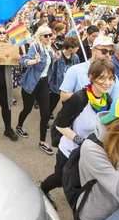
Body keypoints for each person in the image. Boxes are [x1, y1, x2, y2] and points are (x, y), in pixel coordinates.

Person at [41, 58, 114, 206]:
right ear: (91, 78)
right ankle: (42, 190)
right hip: (69, 149)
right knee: (60, 178)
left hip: (89, 153)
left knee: (80, 179)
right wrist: (81, 141)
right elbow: (60, 125)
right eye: (102, 78)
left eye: (111, 78)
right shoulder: (79, 98)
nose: (107, 83)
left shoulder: (107, 100)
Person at [16, 26, 59, 154]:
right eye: (45, 35)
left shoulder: (50, 49)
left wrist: (55, 58)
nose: (48, 38)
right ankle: (19, 126)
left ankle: (42, 141)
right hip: (31, 83)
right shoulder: (36, 47)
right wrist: (34, 61)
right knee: (27, 109)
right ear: (40, 37)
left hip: (44, 83)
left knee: (45, 112)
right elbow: (23, 61)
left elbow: (48, 67)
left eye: (50, 35)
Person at [60, 36, 119, 103]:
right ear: (93, 51)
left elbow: (116, 101)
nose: (108, 55)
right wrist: (87, 94)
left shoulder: (113, 77)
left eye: (111, 52)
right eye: (104, 51)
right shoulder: (75, 70)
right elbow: (63, 96)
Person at [0, 25, 19, 141]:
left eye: (4, 33)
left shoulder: (10, 46)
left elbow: (12, 63)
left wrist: (17, 58)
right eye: (0, 32)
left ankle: (8, 129)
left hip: (5, 82)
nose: (2, 34)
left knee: (6, 106)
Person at [48, 36, 80, 119]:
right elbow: (52, 71)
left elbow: (77, 71)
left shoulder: (75, 57)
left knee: (67, 107)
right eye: (76, 47)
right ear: (70, 48)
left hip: (68, 87)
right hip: (56, 86)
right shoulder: (58, 56)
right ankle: (46, 120)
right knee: (51, 106)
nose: (78, 48)